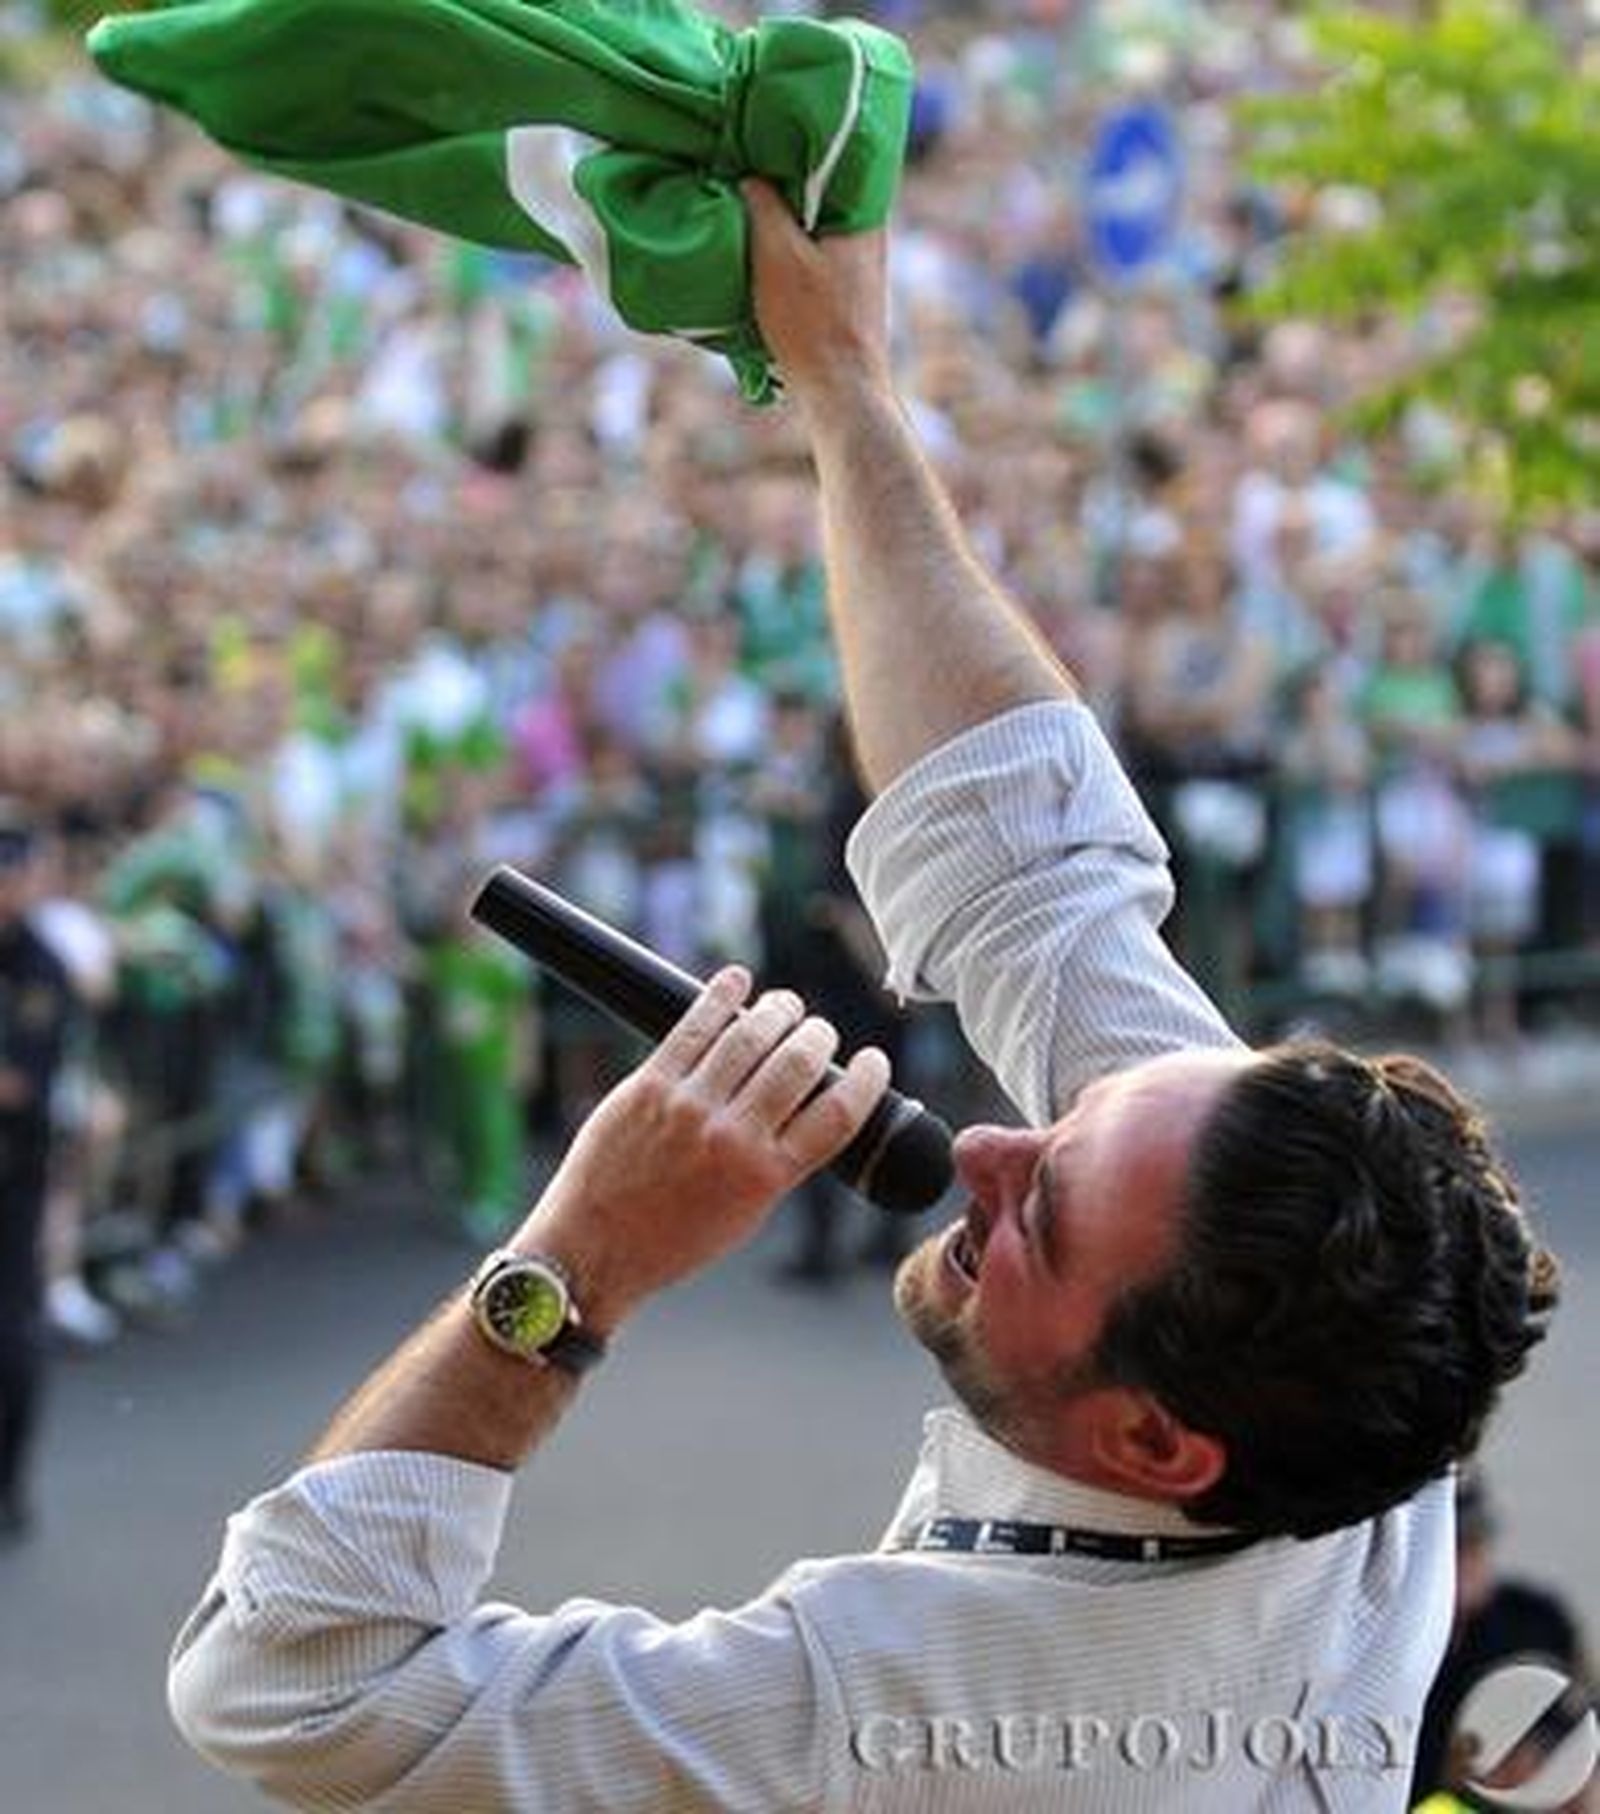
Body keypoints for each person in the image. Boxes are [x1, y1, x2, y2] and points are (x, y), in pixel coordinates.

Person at [167, 194, 1560, 1810]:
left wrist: (574, 1261)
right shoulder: (1339, 1383)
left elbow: (290, 1680)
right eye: (1066, 1122)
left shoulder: (907, 1720)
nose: (987, 1145)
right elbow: (1026, 850)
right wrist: (841, 383)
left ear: (1160, 1446)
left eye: (1043, 1212)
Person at [0, 810, 76, 1541]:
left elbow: (21, 1083)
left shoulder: (40, 967)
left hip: (12, 1173)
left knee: (12, 1331)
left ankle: (8, 1480)